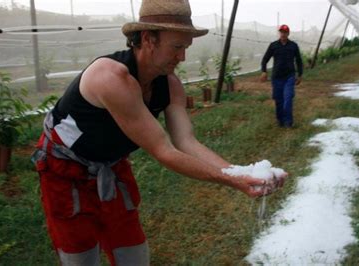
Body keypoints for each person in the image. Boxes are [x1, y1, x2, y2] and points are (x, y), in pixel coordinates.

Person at [31, 0, 287, 265]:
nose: (182, 57)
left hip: (110, 166)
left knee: (132, 251)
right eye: (176, 47)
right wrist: (233, 181)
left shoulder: (170, 85)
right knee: (81, 256)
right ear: (147, 39)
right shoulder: (110, 77)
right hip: (64, 171)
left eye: (186, 48)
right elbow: (163, 151)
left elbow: (186, 142)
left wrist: (240, 172)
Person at [260, 24, 303, 128]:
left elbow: (299, 61)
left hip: (289, 76)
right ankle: (280, 120)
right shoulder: (273, 45)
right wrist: (264, 71)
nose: (283, 34)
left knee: (288, 99)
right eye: (281, 32)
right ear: (279, 33)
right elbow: (265, 59)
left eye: (285, 32)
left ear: (288, 33)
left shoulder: (293, 46)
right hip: (277, 78)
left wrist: (300, 74)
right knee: (279, 100)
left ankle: (288, 122)